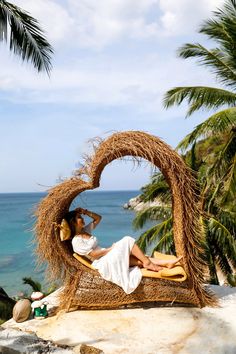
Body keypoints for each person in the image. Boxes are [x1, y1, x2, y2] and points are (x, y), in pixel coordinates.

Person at [66, 208, 182, 294]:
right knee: (127, 240)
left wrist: (86, 211)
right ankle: (148, 263)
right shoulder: (76, 241)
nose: (83, 218)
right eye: (79, 217)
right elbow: (94, 255)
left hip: (107, 256)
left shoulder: (85, 231)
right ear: (73, 222)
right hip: (103, 262)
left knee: (139, 259)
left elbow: (98, 218)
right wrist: (110, 249)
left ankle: (166, 263)